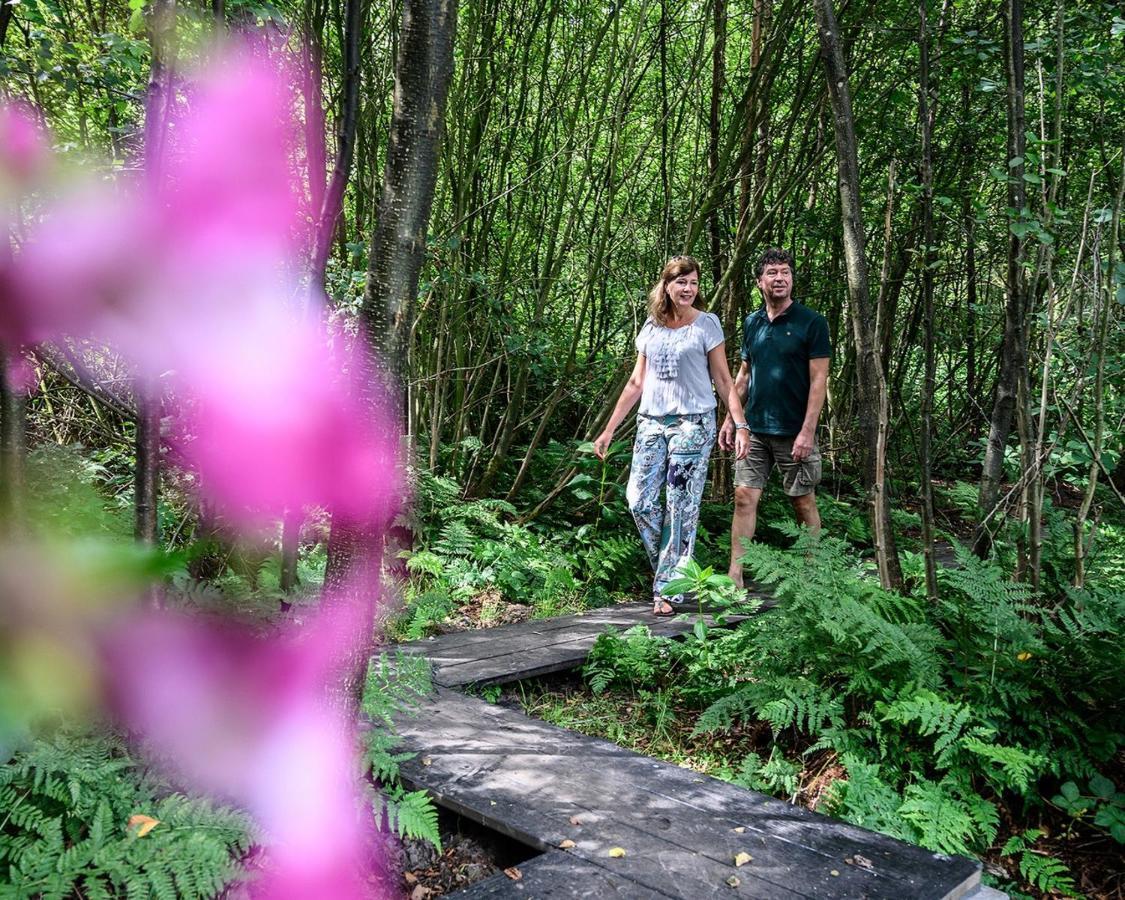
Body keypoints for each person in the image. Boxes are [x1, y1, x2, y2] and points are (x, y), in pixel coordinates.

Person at [594, 255, 750, 616]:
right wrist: (608, 429)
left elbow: (724, 381)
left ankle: (668, 589)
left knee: (681, 506)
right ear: (666, 285)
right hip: (651, 422)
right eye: (681, 282)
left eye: (694, 283)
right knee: (639, 500)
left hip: (693, 423)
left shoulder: (706, 325)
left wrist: (739, 424)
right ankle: (674, 571)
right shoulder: (652, 327)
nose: (688, 289)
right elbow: (636, 383)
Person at [719, 247, 831, 588]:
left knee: (802, 501)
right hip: (753, 430)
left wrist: (807, 431)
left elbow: (819, 380)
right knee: (743, 497)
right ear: (759, 282)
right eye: (772, 273)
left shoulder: (811, 323)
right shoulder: (752, 323)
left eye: (785, 272)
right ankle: (735, 576)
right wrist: (730, 419)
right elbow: (743, 375)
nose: (779, 278)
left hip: (794, 430)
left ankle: (814, 574)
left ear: (792, 279)